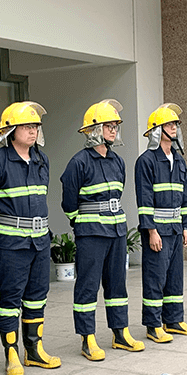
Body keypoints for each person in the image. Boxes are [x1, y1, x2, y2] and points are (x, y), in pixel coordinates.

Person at [0, 101, 61, 375]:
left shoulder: (41, 159)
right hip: (12, 244)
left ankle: (34, 350)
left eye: (35, 126)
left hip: (39, 241)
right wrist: (9, 226)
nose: (33, 131)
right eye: (27, 126)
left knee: (37, 298)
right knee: (10, 298)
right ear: (10, 130)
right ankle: (11, 353)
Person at [61, 99, 145, 360]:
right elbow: (69, 203)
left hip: (117, 231)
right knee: (87, 287)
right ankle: (87, 338)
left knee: (117, 285)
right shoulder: (78, 163)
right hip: (91, 234)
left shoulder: (117, 161)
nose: (113, 130)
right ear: (93, 129)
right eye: (108, 125)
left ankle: (120, 333)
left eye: (114, 125)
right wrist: (82, 224)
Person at [135, 103, 187, 343]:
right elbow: (144, 199)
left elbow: (185, 195)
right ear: (156, 130)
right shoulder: (146, 161)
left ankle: (173, 320)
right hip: (158, 231)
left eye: (175, 125)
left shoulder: (179, 161)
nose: (174, 128)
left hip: (174, 229)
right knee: (155, 277)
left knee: (174, 276)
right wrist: (151, 230)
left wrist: (185, 226)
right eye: (169, 124)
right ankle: (153, 325)